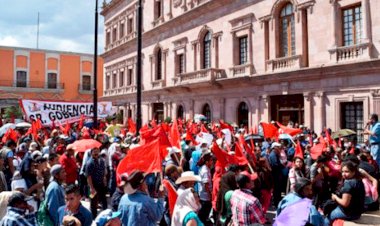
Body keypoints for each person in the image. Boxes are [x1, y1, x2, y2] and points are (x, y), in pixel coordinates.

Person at [324, 161, 365, 225]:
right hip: (357, 213)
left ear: (353, 172)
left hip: (348, 214)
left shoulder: (349, 183)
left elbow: (345, 203)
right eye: (342, 171)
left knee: (327, 218)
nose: (343, 174)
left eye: (346, 171)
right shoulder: (359, 180)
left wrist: (335, 197)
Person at [86, 147, 107, 218]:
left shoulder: (101, 160)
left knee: (103, 199)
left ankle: (106, 214)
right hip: (93, 185)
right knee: (93, 201)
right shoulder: (89, 163)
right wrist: (91, 188)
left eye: (97, 151)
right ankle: (93, 217)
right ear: (91, 153)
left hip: (100, 184)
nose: (96, 153)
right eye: (94, 151)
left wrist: (104, 179)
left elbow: (103, 171)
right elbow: (88, 176)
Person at [197, 152, 213, 225]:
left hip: (203, 195)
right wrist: (210, 195)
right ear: (207, 162)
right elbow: (206, 185)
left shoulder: (205, 168)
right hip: (205, 197)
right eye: (211, 160)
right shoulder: (205, 170)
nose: (212, 162)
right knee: (203, 214)